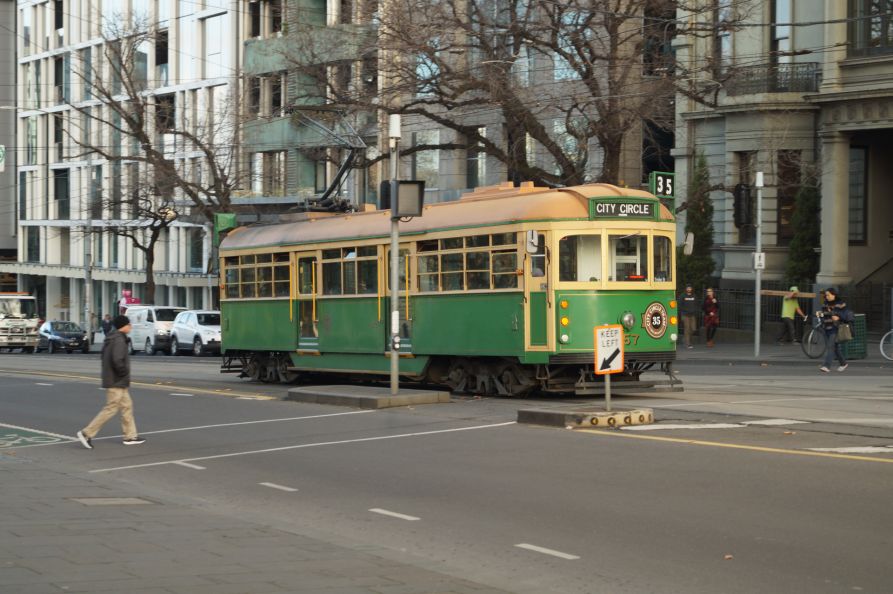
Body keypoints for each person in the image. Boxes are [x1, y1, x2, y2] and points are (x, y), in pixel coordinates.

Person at [76, 315, 146, 448]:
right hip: (117, 381)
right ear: (123, 326)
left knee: (127, 406)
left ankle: (130, 436)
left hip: (116, 380)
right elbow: (117, 360)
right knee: (111, 408)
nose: (130, 326)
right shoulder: (119, 339)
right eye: (128, 324)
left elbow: (105, 357)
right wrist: (123, 373)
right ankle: (87, 433)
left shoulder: (112, 338)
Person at [817, 287, 849, 373]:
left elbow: (846, 315)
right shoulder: (825, 303)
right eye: (826, 295)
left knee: (830, 346)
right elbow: (824, 314)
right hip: (827, 327)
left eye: (828, 295)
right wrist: (820, 314)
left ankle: (826, 366)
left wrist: (838, 317)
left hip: (836, 327)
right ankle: (843, 363)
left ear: (834, 294)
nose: (826, 297)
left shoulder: (840, 303)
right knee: (835, 347)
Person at [679, 284, 699, 348]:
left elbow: (696, 304)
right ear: (686, 289)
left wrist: (695, 311)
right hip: (685, 315)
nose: (689, 289)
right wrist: (682, 312)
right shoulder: (683, 296)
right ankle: (688, 344)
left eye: (690, 288)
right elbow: (679, 304)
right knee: (687, 329)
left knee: (693, 329)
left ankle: (685, 339)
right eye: (688, 288)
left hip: (692, 315)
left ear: (691, 289)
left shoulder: (694, 296)